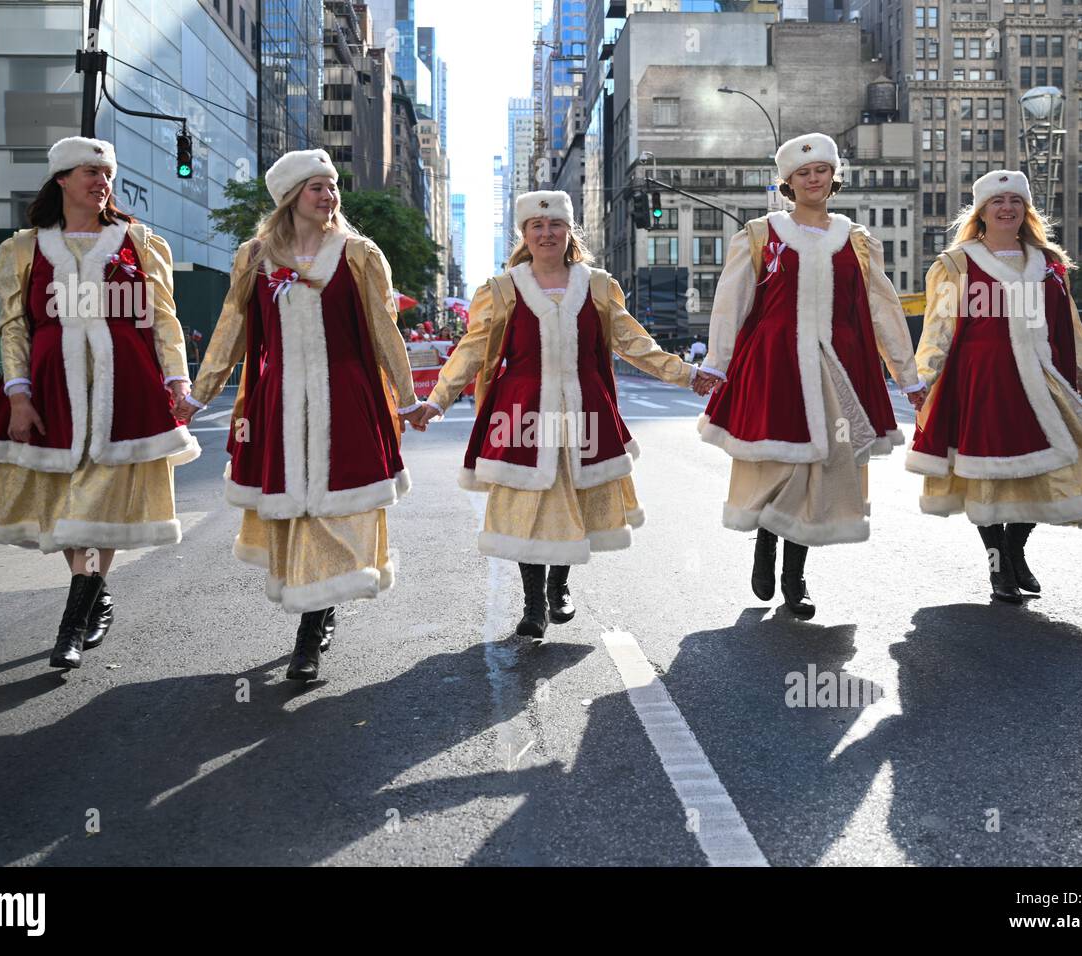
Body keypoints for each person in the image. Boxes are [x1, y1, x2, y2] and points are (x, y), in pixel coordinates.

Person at [412, 190, 715, 639]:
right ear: (524, 234)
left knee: (570, 497)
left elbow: (634, 343)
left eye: (555, 224)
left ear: (569, 230)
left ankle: (560, 585)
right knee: (526, 503)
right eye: (537, 225)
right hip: (521, 412)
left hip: (584, 409)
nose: (547, 233)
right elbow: (472, 350)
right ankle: (534, 601)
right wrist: (437, 399)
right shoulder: (501, 290)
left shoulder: (597, 285)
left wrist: (688, 374)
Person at [176, 148, 424, 681]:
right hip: (281, 400)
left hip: (347, 396)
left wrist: (406, 398)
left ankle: (312, 628)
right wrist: (198, 395)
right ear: (291, 196)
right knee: (299, 509)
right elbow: (232, 330)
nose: (329, 196)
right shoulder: (256, 256)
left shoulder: (359, 254)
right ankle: (319, 608)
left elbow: (385, 330)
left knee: (336, 505)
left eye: (332, 187)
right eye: (317, 187)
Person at [0, 136, 199, 669]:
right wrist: (18, 395)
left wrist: (178, 381)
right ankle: (95, 593)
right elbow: (14, 327)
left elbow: (162, 319)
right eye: (89, 172)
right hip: (53, 388)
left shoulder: (139, 242)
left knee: (97, 505)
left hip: (126, 389)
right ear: (62, 179)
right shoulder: (23, 248)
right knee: (72, 505)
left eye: (106, 173)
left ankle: (71, 626)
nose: (101, 181)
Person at [698, 133, 923, 620]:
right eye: (803, 173)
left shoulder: (858, 241)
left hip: (840, 364)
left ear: (833, 177)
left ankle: (794, 579)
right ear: (788, 182)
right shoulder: (760, 234)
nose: (813, 179)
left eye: (821, 170)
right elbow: (731, 300)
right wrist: (717, 362)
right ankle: (765, 543)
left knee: (820, 468)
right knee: (780, 462)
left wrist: (909, 376)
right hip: (775, 361)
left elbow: (883, 310)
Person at [907, 170, 1082, 604]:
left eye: (1015, 201)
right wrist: (924, 377)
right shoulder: (956, 264)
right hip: (981, 379)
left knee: (1055, 464)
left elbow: (1071, 327)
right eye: (997, 201)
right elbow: (939, 326)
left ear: (1026, 210)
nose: (1007, 208)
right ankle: (998, 565)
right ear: (981, 212)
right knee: (985, 474)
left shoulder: (1050, 264)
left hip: (1043, 378)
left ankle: (1016, 546)